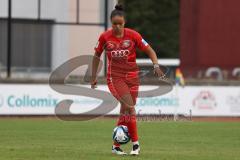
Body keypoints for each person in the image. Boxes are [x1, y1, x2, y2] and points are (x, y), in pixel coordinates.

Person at [91, 4, 164, 156]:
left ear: (125, 22)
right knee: (130, 107)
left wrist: (156, 65)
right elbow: (96, 56)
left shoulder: (133, 35)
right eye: (114, 24)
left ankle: (115, 146)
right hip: (115, 78)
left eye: (120, 24)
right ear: (111, 23)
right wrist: (93, 77)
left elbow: (150, 50)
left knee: (125, 110)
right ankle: (136, 145)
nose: (117, 27)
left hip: (132, 77)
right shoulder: (105, 37)